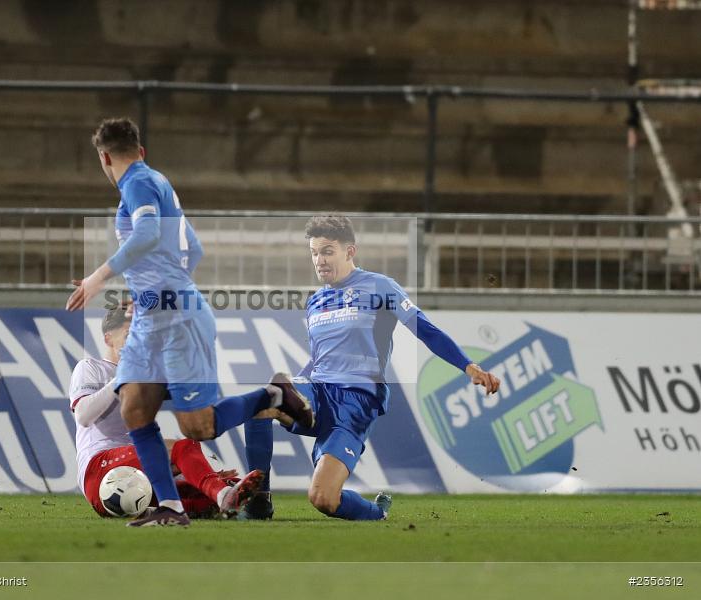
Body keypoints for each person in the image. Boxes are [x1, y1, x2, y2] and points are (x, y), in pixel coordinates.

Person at [66, 118, 313, 527]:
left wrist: (99, 277)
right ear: (140, 150)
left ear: (104, 158)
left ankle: (272, 395)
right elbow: (193, 247)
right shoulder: (155, 181)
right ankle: (172, 506)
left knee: (199, 427)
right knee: (135, 409)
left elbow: (145, 235)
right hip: (155, 311)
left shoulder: (137, 184)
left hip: (174, 314)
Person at [240, 215, 501, 521]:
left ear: (350, 251)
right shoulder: (316, 301)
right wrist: (298, 381)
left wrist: (468, 366)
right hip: (320, 393)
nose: (319, 260)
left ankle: (377, 512)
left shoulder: (380, 287)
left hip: (356, 402)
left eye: (327, 251)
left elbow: (424, 329)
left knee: (323, 498)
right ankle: (260, 499)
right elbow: (320, 359)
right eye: (313, 253)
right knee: (262, 402)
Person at [70, 303, 265, 519]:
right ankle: (222, 495)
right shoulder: (91, 367)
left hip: (136, 477)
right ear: (108, 339)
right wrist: (121, 379)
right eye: (128, 336)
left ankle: (212, 497)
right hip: (100, 470)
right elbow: (83, 415)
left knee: (215, 485)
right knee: (183, 447)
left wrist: (202, 474)